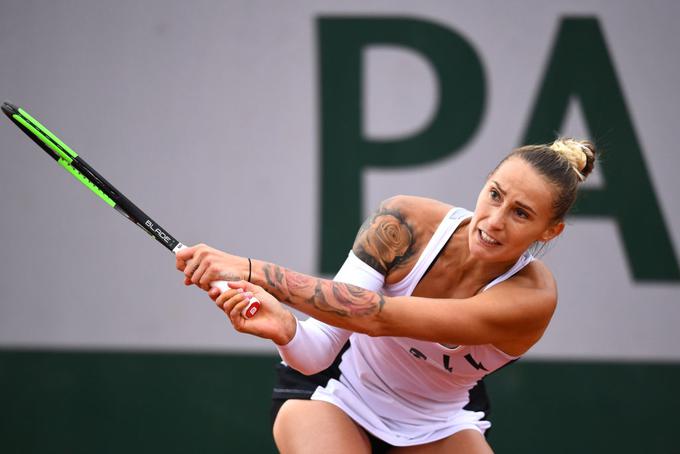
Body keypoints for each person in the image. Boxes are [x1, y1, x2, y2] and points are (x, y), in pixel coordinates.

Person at [176, 138, 597, 453]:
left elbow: (376, 317)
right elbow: (316, 353)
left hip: (442, 423)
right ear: (486, 184)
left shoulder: (532, 299)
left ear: (549, 231)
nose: (495, 221)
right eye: (495, 195)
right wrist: (286, 330)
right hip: (336, 392)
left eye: (521, 213)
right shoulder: (406, 222)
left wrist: (253, 271)